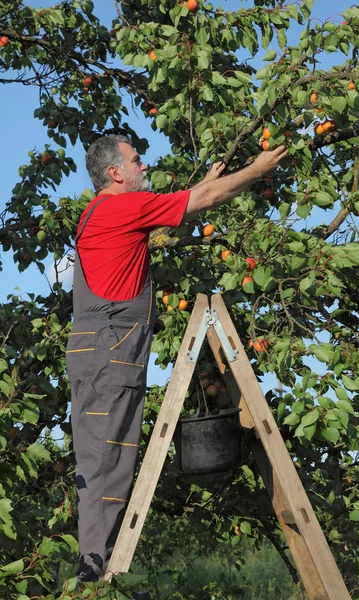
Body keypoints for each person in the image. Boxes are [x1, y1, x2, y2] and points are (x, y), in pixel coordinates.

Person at [66, 135, 288, 596]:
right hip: (111, 353)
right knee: (109, 462)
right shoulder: (121, 209)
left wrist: (206, 186)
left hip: (92, 351)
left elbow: (189, 202)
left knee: (98, 461)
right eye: (135, 159)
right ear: (115, 173)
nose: (142, 164)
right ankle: (95, 579)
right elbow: (200, 201)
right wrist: (257, 170)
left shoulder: (94, 215)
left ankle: (96, 571)